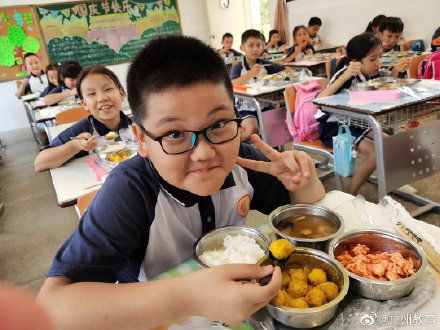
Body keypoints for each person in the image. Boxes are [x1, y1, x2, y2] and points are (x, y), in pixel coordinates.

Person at [36, 35, 325, 329]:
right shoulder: (131, 189)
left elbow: (307, 222)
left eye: (218, 124)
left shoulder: (243, 161)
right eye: (174, 134)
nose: (204, 153)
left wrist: (303, 183)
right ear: (142, 140)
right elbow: (53, 307)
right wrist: (189, 297)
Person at [315, 32, 409, 196]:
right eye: (373, 59)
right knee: (373, 153)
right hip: (334, 127)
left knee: (389, 142)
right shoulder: (346, 73)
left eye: (379, 57)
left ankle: (393, 180)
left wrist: (395, 71)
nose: (378, 63)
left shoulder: (369, 73)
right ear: (356, 62)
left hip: (357, 122)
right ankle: (350, 195)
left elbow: (381, 85)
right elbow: (319, 100)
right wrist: (345, 75)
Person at [34, 65, 133, 172]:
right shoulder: (83, 130)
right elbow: (39, 163)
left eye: (108, 89)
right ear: (84, 104)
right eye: (91, 93)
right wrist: (75, 146)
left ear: (122, 94)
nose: (102, 98)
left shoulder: (137, 124)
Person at [230, 29, 292, 142]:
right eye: (251, 45)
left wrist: (271, 77)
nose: (255, 49)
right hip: (245, 107)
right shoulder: (238, 67)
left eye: (258, 45)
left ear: (263, 47)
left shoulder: (265, 64)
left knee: (277, 125)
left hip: (266, 104)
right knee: (252, 130)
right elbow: (231, 85)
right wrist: (250, 74)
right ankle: (234, 145)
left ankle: (271, 149)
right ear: (242, 48)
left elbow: (287, 70)